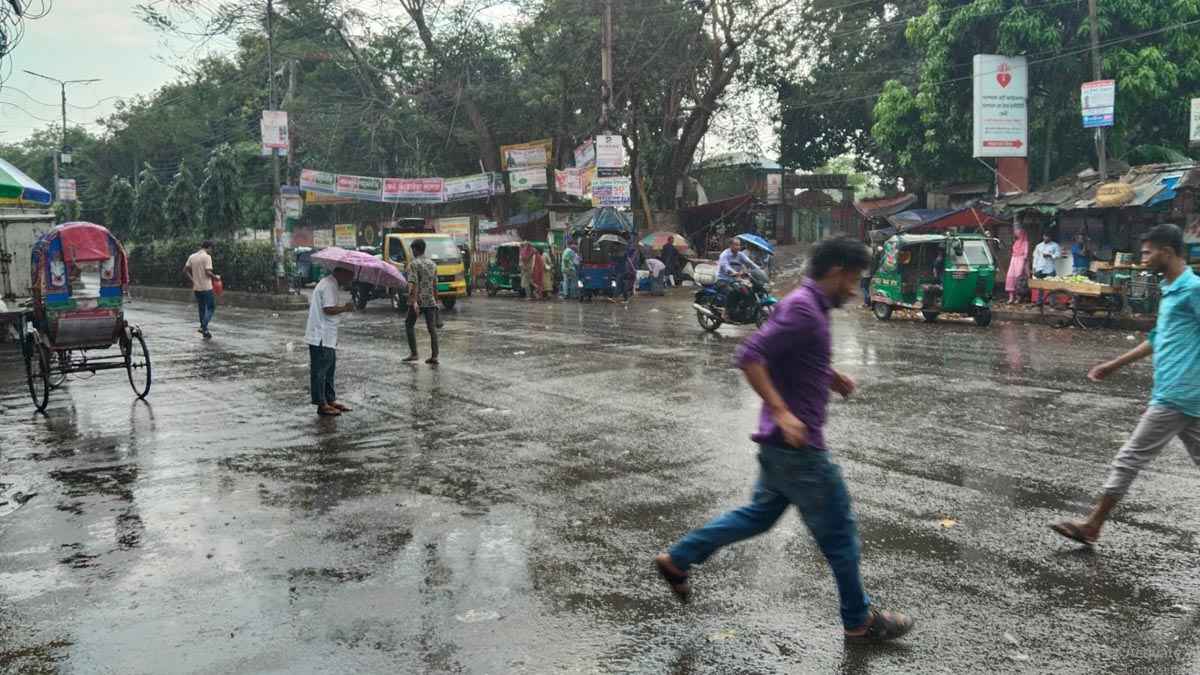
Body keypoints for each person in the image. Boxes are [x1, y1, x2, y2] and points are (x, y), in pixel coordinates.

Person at [653, 237, 915, 643]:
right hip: (799, 449)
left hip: (779, 447)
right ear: (836, 271)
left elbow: (793, 355)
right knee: (840, 533)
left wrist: (830, 376)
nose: (854, 290)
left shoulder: (809, 307)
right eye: (853, 279)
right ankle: (859, 620)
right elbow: (750, 356)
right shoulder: (803, 309)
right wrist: (781, 411)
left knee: (758, 516)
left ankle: (678, 559)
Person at [1051, 224, 1200, 546]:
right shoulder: (1172, 288)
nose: (1143, 258)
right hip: (1186, 397)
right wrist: (1114, 365)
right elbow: (1158, 339)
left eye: (1148, 253)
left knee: (1129, 458)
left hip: (1176, 395)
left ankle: (1093, 525)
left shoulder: (1193, 290)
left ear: (1167, 252)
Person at [305, 266, 355, 417]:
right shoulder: (329, 285)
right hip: (321, 336)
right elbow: (328, 309)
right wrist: (345, 308)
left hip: (328, 337)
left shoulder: (331, 284)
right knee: (320, 371)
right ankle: (322, 404)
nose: (350, 279)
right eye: (349, 275)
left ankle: (330, 399)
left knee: (329, 370)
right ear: (341, 273)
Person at [404, 239, 440, 365]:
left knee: (409, 324)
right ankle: (434, 356)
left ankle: (414, 354)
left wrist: (414, 301)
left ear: (415, 249)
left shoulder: (413, 264)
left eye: (412, 249)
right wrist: (436, 302)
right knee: (432, 328)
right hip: (430, 301)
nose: (412, 252)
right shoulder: (433, 264)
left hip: (418, 301)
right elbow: (435, 285)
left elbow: (413, 283)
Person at [184, 240, 221, 339]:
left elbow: (185, 270)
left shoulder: (192, 256)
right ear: (209, 247)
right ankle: (203, 326)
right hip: (206, 287)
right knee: (211, 307)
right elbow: (208, 272)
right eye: (212, 249)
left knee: (201, 308)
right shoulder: (207, 257)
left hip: (197, 288)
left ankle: (205, 331)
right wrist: (216, 278)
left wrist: (193, 280)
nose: (212, 251)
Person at [717, 237, 761, 320]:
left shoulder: (740, 255)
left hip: (736, 279)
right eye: (736, 245)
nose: (738, 247)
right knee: (732, 291)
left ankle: (743, 310)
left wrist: (759, 269)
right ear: (730, 245)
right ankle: (726, 312)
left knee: (748, 290)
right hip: (723, 280)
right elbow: (726, 266)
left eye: (739, 245)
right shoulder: (724, 255)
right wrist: (734, 272)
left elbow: (750, 263)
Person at [1006, 227, 1029, 304]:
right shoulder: (1016, 241)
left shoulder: (1025, 242)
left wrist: (1023, 265)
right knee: (1010, 277)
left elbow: (1025, 255)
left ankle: (1018, 298)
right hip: (1013, 259)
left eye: (1018, 233)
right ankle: (1011, 298)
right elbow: (1013, 251)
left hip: (1020, 260)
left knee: (1018, 279)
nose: (1016, 234)